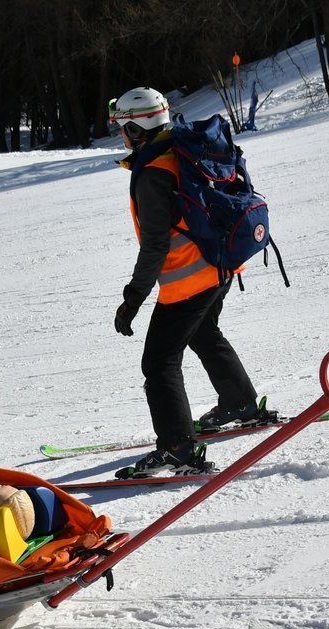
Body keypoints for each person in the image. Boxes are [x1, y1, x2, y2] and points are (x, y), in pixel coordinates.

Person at [108, 87, 273, 478]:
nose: (120, 135)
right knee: (203, 332)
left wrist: (132, 299)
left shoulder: (152, 172)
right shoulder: (183, 150)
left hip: (190, 279)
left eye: (121, 127)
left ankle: (177, 448)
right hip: (221, 266)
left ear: (135, 127)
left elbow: (155, 246)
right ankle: (240, 403)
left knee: (159, 362)